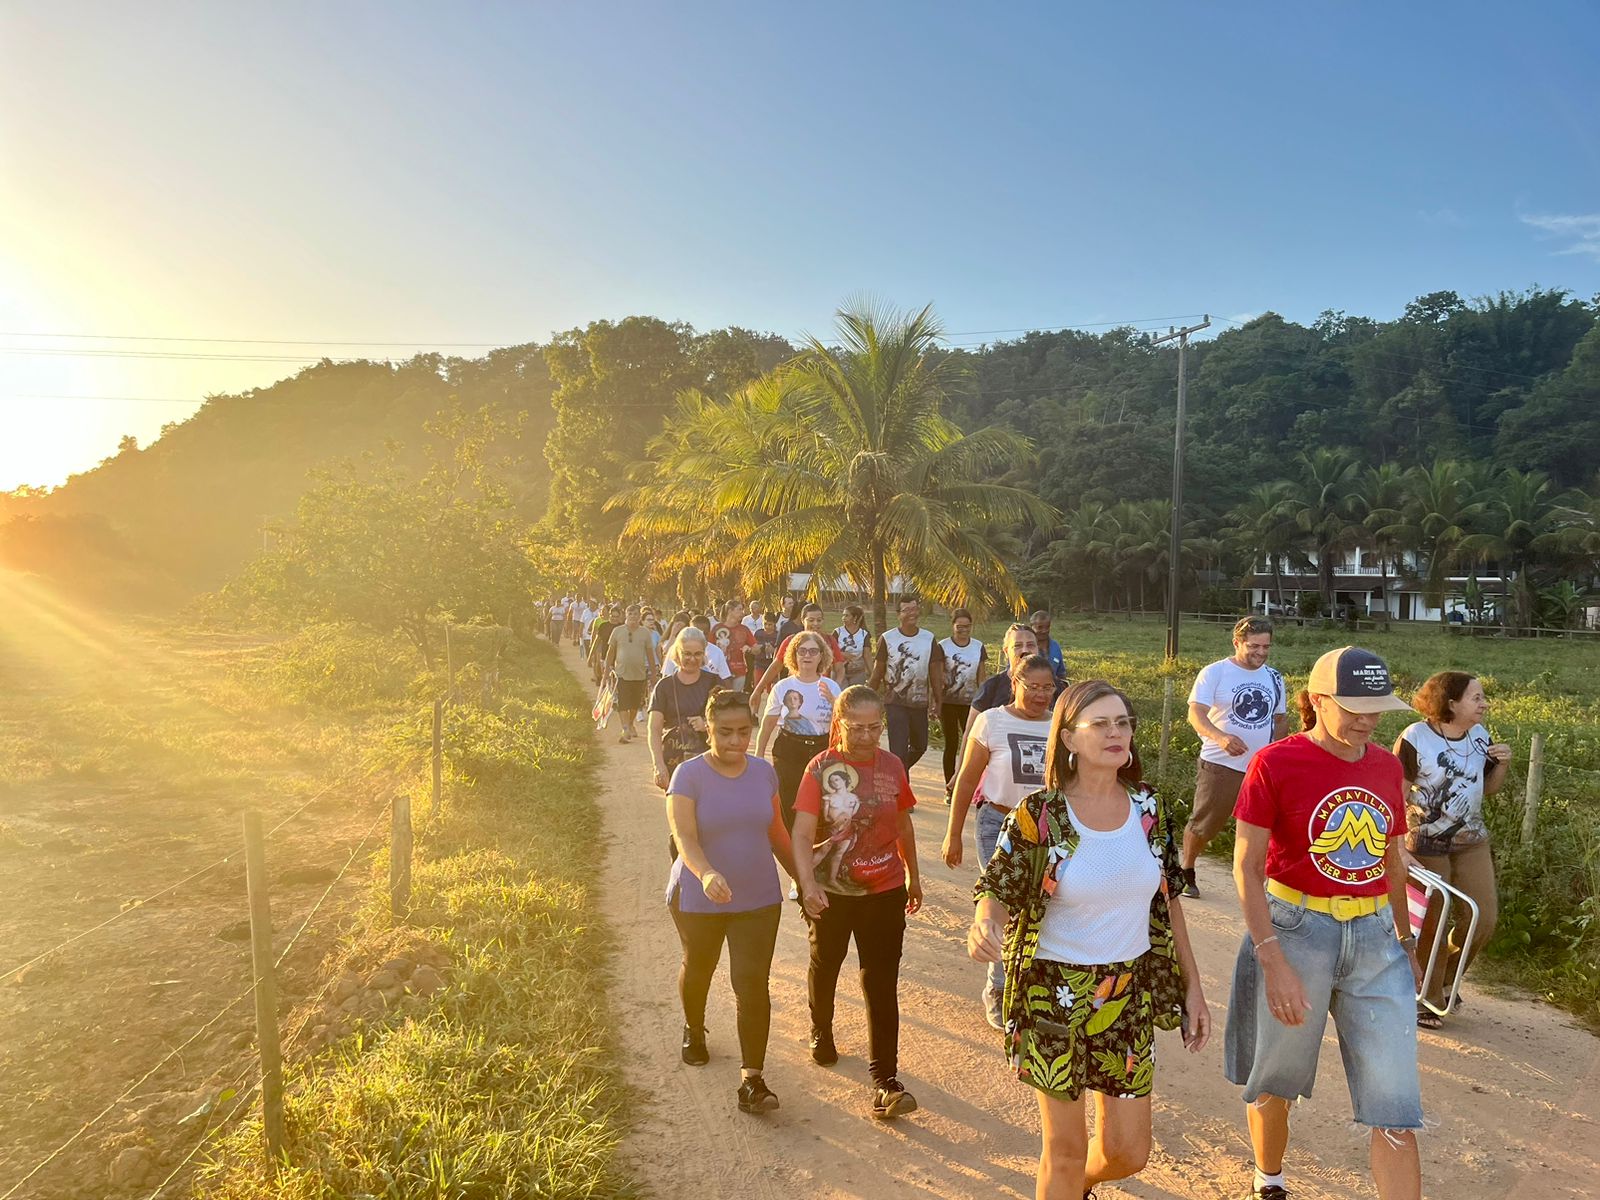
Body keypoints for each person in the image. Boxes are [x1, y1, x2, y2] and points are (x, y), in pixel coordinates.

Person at [968, 680, 1209, 1200]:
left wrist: (1194, 988)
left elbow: (1168, 904)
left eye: (1122, 722)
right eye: (1100, 724)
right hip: (1052, 992)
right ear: (1069, 739)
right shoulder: (1040, 814)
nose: (1116, 733)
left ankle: (1077, 1188)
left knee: (1128, 1152)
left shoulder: (1150, 811)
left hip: (1129, 992)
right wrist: (985, 921)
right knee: (1065, 1149)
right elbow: (997, 886)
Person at [1223, 646, 1424, 1200]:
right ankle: (1269, 1179)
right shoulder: (1275, 763)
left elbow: (1391, 857)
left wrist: (1404, 939)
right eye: (1354, 706)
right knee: (1277, 1077)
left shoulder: (1386, 766)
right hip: (1295, 929)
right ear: (1316, 700)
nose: (1367, 719)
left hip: (1375, 935)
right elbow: (1246, 864)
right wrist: (1272, 957)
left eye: (1376, 707)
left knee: (1396, 1100)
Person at [665, 690, 826, 1113]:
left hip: (757, 897)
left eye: (743, 732)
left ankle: (752, 1080)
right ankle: (694, 1028)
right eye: (725, 732)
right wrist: (707, 874)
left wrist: (803, 881)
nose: (735, 741)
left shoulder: (763, 772)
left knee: (752, 983)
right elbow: (684, 838)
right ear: (708, 727)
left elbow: (776, 832)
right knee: (699, 967)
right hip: (699, 896)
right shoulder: (688, 775)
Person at [790, 686, 923, 1120]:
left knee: (880, 982)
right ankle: (821, 1029)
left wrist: (914, 876)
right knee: (825, 963)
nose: (867, 737)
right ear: (839, 725)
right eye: (857, 728)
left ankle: (886, 1079)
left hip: (884, 890)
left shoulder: (892, 765)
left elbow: (903, 824)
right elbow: (802, 833)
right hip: (832, 893)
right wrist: (807, 883)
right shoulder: (820, 768)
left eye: (874, 727)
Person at [941, 654, 1056, 1029]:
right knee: (1003, 908)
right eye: (1033, 687)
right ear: (1015, 684)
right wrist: (952, 833)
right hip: (997, 823)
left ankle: (1034, 987)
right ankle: (999, 987)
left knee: (1041, 909)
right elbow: (967, 778)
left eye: (1047, 687)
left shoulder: (1060, 725)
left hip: (1045, 827)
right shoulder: (992, 721)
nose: (1040, 695)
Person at [1395, 671, 1509, 1028]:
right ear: (1451, 702)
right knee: (1434, 918)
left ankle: (1444, 979)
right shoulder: (1414, 737)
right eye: (1476, 697)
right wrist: (1397, 848)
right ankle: (1427, 1000)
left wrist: (1502, 764)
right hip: (1425, 842)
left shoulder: (1479, 736)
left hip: (1472, 841)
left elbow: (1488, 790)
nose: (1484, 704)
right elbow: (1395, 796)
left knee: (1484, 920)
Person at [1180, 616, 1289, 899]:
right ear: (1237, 642)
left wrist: (1280, 754)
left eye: (1266, 647)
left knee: (1265, 828)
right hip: (1221, 765)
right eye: (1254, 646)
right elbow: (1196, 714)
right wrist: (1221, 737)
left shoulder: (1275, 678)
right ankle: (1187, 868)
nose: (1261, 653)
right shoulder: (1215, 673)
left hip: (1262, 769)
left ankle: (1259, 882)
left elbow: (1279, 719)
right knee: (1206, 823)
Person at [649, 630, 727, 861]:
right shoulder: (664, 687)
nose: (692, 659)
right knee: (681, 824)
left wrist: (707, 724)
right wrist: (658, 765)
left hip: (709, 762)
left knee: (710, 820)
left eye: (697, 654)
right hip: (675, 762)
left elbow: (729, 723)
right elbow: (653, 729)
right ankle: (681, 875)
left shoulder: (714, 684)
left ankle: (708, 872)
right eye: (686, 654)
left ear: (704, 655)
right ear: (677, 653)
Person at [754, 631, 840, 830]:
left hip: (822, 751)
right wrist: (759, 755)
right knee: (789, 804)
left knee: (820, 807)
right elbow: (768, 724)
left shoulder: (832, 687)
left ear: (821, 656)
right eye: (802, 651)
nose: (807, 656)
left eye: (813, 651)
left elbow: (845, 722)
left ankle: (816, 853)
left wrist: (834, 702)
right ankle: (792, 853)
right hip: (788, 751)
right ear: (794, 655)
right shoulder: (782, 687)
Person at [870, 597, 944, 775]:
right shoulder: (888, 638)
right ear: (898, 615)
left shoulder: (928, 638)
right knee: (899, 750)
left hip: (919, 703)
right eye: (907, 610)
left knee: (920, 746)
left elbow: (934, 672)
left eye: (914, 609)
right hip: (895, 703)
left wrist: (938, 701)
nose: (912, 613)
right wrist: (868, 697)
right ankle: (901, 792)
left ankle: (895, 772)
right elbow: (878, 670)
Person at [748, 603, 844, 706]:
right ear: (803, 620)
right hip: (795, 693)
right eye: (811, 620)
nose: (815, 624)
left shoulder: (829, 641)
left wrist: (834, 688)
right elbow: (775, 667)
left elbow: (840, 668)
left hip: (820, 693)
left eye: (819, 620)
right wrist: (758, 690)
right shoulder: (791, 641)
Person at [938, 608, 988, 800]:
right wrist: (935, 701)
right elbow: (937, 675)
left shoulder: (978, 646)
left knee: (971, 745)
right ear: (953, 626)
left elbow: (981, 677)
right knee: (951, 744)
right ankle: (949, 788)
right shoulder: (943, 646)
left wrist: (985, 702)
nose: (963, 630)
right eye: (959, 627)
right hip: (949, 702)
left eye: (967, 627)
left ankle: (967, 786)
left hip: (971, 703)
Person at [969, 623, 1063, 716]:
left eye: (1030, 645)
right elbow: (971, 730)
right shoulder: (991, 688)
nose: (1025, 650)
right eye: (1017, 646)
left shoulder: (1055, 687)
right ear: (1006, 651)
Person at [604, 605, 658, 744]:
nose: (633, 616)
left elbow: (650, 654)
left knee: (635, 703)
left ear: (639, 616)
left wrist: (653, 673)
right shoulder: (617, 631)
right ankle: (625, 728)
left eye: (636, 614)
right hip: (621, 673)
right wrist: (606, 672)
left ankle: (631, 722)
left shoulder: (645, 633)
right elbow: (610, 652)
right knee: (623, 701)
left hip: (639, 674)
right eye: (630, 613)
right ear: (625, 615)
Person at [715, 600, 758, 692]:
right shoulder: (717, 629)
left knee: (735, 700)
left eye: (742, 610)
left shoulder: (744, 629)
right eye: (739, 609)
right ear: (730, 611)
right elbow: (708, 649)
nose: (742, 613)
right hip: (720, 672)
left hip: (739, 671)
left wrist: (749, 649)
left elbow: (756, 649)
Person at [833, 605, 873, 688]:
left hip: (857, 671)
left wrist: (873, 675)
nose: (843, 618)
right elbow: (829, 650)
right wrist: (842, 654)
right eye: (843, 615)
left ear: (855, 618)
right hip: (839, 670)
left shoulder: (864, 634)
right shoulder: (838, 632)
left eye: (847, 615)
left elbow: (867, 655)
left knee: (856, 696)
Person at [1030, 610, 1067, 683]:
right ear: (1032, 627)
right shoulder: (1026, 647)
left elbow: (1061, 674)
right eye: (1040, 627)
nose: (1044, 631)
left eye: (1047, 627)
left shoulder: (1055, 647)